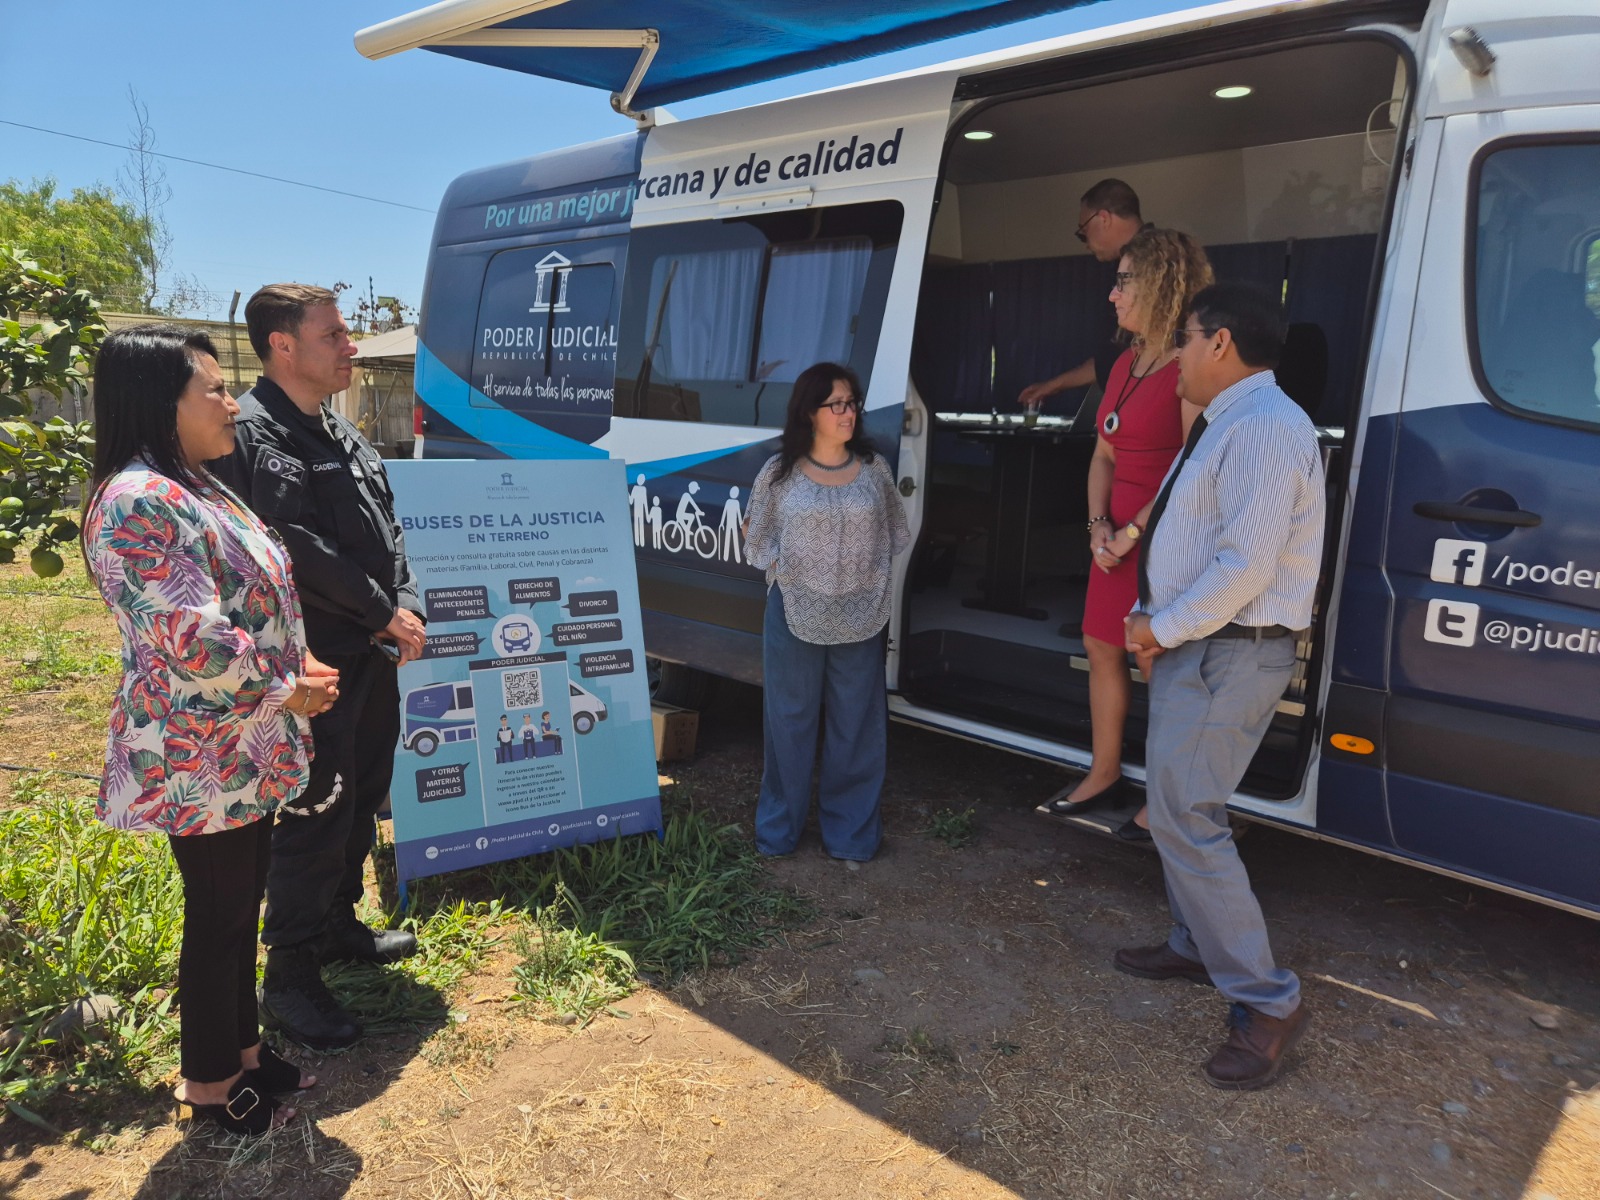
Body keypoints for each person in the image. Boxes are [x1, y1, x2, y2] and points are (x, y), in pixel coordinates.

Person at [82, 326, 335, 1135]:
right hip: (197, 751)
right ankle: (211, 1083)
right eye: (213, 390)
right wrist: (290, 685)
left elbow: (257, 598)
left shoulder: (192, 481)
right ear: (162, 403)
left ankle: (246, 1055)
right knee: (219, 914)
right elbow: (188, 638)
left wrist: (295, 665)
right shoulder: (136, 499)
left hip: (240, 745)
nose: (232, 402)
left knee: (237, 906)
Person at [209, 283, 426, 1051]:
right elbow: (294, 545)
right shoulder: (254, 433)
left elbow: (388, 529)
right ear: (283, 346)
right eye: (333, 334)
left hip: (370, 653)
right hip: (313, 665)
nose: (350, 346)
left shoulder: (340, 430)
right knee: (313, 808)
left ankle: (337, 925)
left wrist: (405, 604)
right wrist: (380, 610)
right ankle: (290, 974)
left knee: (363, 792)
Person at [1118, 283, 1325, 1090]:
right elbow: (1186, 533)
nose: (1174, 359)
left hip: (1226, 652)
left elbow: (1246, 564)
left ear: (1221, 344)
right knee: (1179, 806)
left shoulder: (1268, 427)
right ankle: (1193, 942)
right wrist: (1152, 619)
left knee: (1186, 817)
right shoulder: (1234, 421)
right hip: (1204, 649)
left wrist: (1161, 629)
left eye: (1186, 340)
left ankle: (1268, 1002)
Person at [1037, 229, 1213, 840]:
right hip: (1113, 543)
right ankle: (1104, 773)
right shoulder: (1124, 362)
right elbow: (1103, 455)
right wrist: (1097, 528)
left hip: (1163, 543)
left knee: (1157, 663)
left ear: (1162, 283)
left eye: (1124, 280)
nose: (1113, 295)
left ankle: (1167, 799)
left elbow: (1191, 467)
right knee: (1102, 649)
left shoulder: (1190, 365)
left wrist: (1132, 532)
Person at [743, 363, 910, 862]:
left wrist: (865, 575)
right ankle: (778, 834)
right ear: (809, 413)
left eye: (852, 402)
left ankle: (851, 837)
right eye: (836, 404)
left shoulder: (875, 469)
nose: (848, 412)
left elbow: (896, 532)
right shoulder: (779, 473)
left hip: (862, 614)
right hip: (794, 612)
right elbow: (755, 533)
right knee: (788, 725)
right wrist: (783, 567)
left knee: (856, 726)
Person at [1017, 179, 1151, 413]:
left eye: (1083, 233)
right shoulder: (1136, 258)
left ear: (1104, 218)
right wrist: (1054, 385)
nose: (1113, 296)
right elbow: (1116, 355)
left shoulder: (1152, 260)